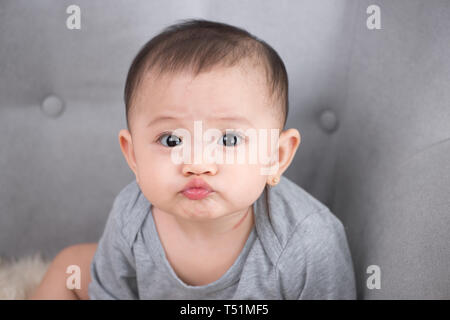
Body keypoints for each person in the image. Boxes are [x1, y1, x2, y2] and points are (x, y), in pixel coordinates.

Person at [30, 19, 356, 300]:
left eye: (228, 139)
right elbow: (111, 291)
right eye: (171, 140)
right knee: (69, 265)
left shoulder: (308, 241)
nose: (197, 162)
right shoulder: (131, 217)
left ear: (277, 156)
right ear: (133, 155)